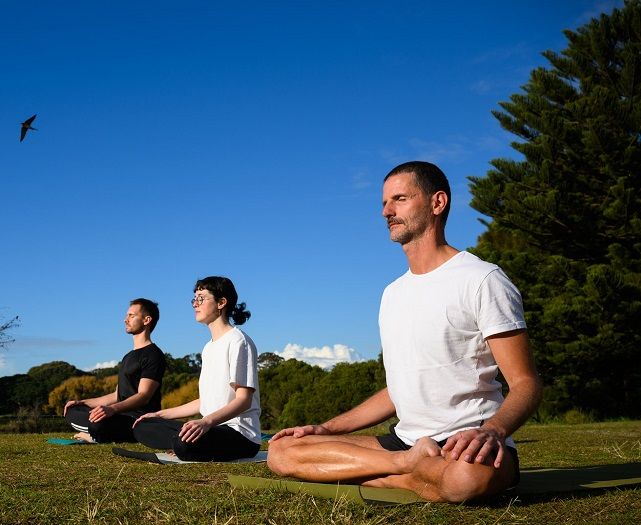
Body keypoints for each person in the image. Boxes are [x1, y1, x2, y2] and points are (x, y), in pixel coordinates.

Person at [267, 161, 543, 502]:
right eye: (384, 203)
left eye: (399, 199)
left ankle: (370, 472)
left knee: (465, 480)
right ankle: (404, 465)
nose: (386, 211)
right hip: (405, 444)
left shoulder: (482, 279)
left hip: (464, 442)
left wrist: (493, 432)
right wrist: (326, 429)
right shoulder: (392, 293)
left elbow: (525, 383)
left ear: (437, 203)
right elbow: (399, 391)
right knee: (282, 451)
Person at [132, 276, 261, 462]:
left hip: (239, 435)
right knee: (143, 425)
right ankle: (182, 441)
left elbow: (243, 400)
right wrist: (159, 414)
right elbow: (204, 402)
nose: (195, 304)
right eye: (194, 299)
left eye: (201, 298)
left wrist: (206, 421)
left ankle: (183, 443)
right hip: (210, 428)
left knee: (184, 443)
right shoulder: (208, 347)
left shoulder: (238, 342)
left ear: (221, 302)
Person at [64, 298, 166, 443]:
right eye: (126, 316)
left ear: (146, 320)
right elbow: (116, 395)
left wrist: (112, 410)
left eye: (132, 315)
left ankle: (96, 434)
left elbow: (144, 396)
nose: (126, 320)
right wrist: (82, 402)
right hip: (119, 416)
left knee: (98, 423)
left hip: (138, 420)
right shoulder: (128, 357)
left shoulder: (154, 355)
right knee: (73, 411)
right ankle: (97, 432)